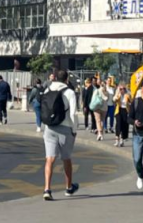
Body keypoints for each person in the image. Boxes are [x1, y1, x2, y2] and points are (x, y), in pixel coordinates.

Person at [42, 69, 79, 201]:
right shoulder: (69, 92)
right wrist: (74, 130)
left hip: (50, 128)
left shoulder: (48, 90)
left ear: (55, 78)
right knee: (66, 158)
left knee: (49, 159)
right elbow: (73, 113)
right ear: (66, 79)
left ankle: (47, 189)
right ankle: (68, 188)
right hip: (65, 128)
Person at [113, 83, 132, 147]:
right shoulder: (118, 95)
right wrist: (117, 95)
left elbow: (131, 101)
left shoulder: (127, 95)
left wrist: (129, 98)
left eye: (123, 89)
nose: (122, 90)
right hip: (119, 110)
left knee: (124, 125)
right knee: (118, 124)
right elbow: (114, 99)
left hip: (125, 110)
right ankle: (117, 140)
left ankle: (122, 139)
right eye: (120, 89)